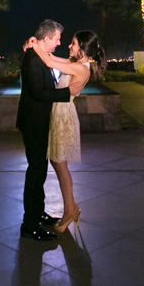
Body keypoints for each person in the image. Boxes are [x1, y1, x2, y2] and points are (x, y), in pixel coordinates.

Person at [27, 30, 106, 234]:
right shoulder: (76, 64)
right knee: (57, 162)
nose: (69, 46)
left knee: (60, 165)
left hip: (63, 116)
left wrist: (34, 45)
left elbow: (50, 63)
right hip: (59, 113)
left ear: (82, 48)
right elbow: (52, 57)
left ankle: (69, 212)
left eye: (73, 43)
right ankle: (71, 208)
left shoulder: (82, 69)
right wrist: (36, 43)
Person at [18, 19, 84, 241]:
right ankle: (29, 224)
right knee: (35, 173)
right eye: (56, 38)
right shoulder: (34, 60)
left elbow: (53, 62)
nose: (59, 42)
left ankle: (38, 213)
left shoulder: (40, 57)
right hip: (33, 123)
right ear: (46, 39)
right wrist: (66, 94)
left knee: (40, 171)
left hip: (40, 122)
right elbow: (38, 93)